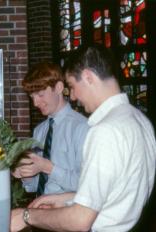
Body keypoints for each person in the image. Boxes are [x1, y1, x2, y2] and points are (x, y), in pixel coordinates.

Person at [10, 44, 156, 232]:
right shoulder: (140, 119)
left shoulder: (104, 131)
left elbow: (80, 220)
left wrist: (26, 216)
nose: (72, 95)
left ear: (88, 77)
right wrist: (62, 199)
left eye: (72, 86)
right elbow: (113, 193)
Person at [12, 63, 89, 196]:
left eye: (40, 95)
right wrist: (25, 173)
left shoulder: (81, 127)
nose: (35, 103)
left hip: (69, 210)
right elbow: (34, 186)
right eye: (32, 97)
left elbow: (86, 184)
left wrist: (48, 168)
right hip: (42, 206)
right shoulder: (39, 130)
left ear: (59, 87)